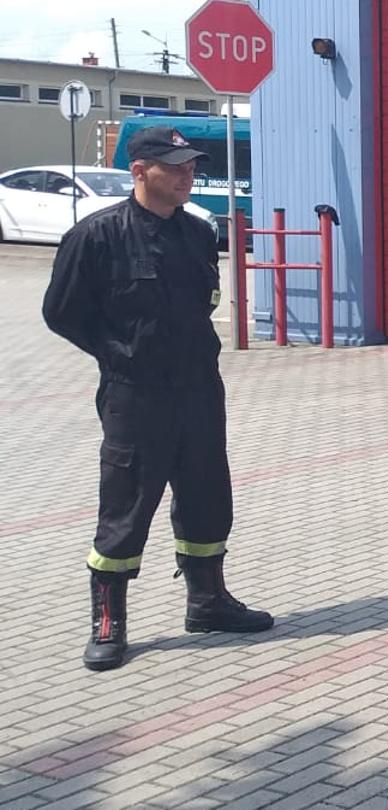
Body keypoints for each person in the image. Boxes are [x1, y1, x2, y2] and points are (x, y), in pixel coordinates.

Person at [43, 126, 275, 672]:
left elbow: (203, 302)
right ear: (140, 170)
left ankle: (208, 602)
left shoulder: (196, 234)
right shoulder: (97, 235)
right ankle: (108, 621)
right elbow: (61, 313)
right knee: (127, 505)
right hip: (136, 395)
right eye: (174, 167)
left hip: (198, 390)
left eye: (191, 167)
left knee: (207, 497)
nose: (186, 175)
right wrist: (118, 353)